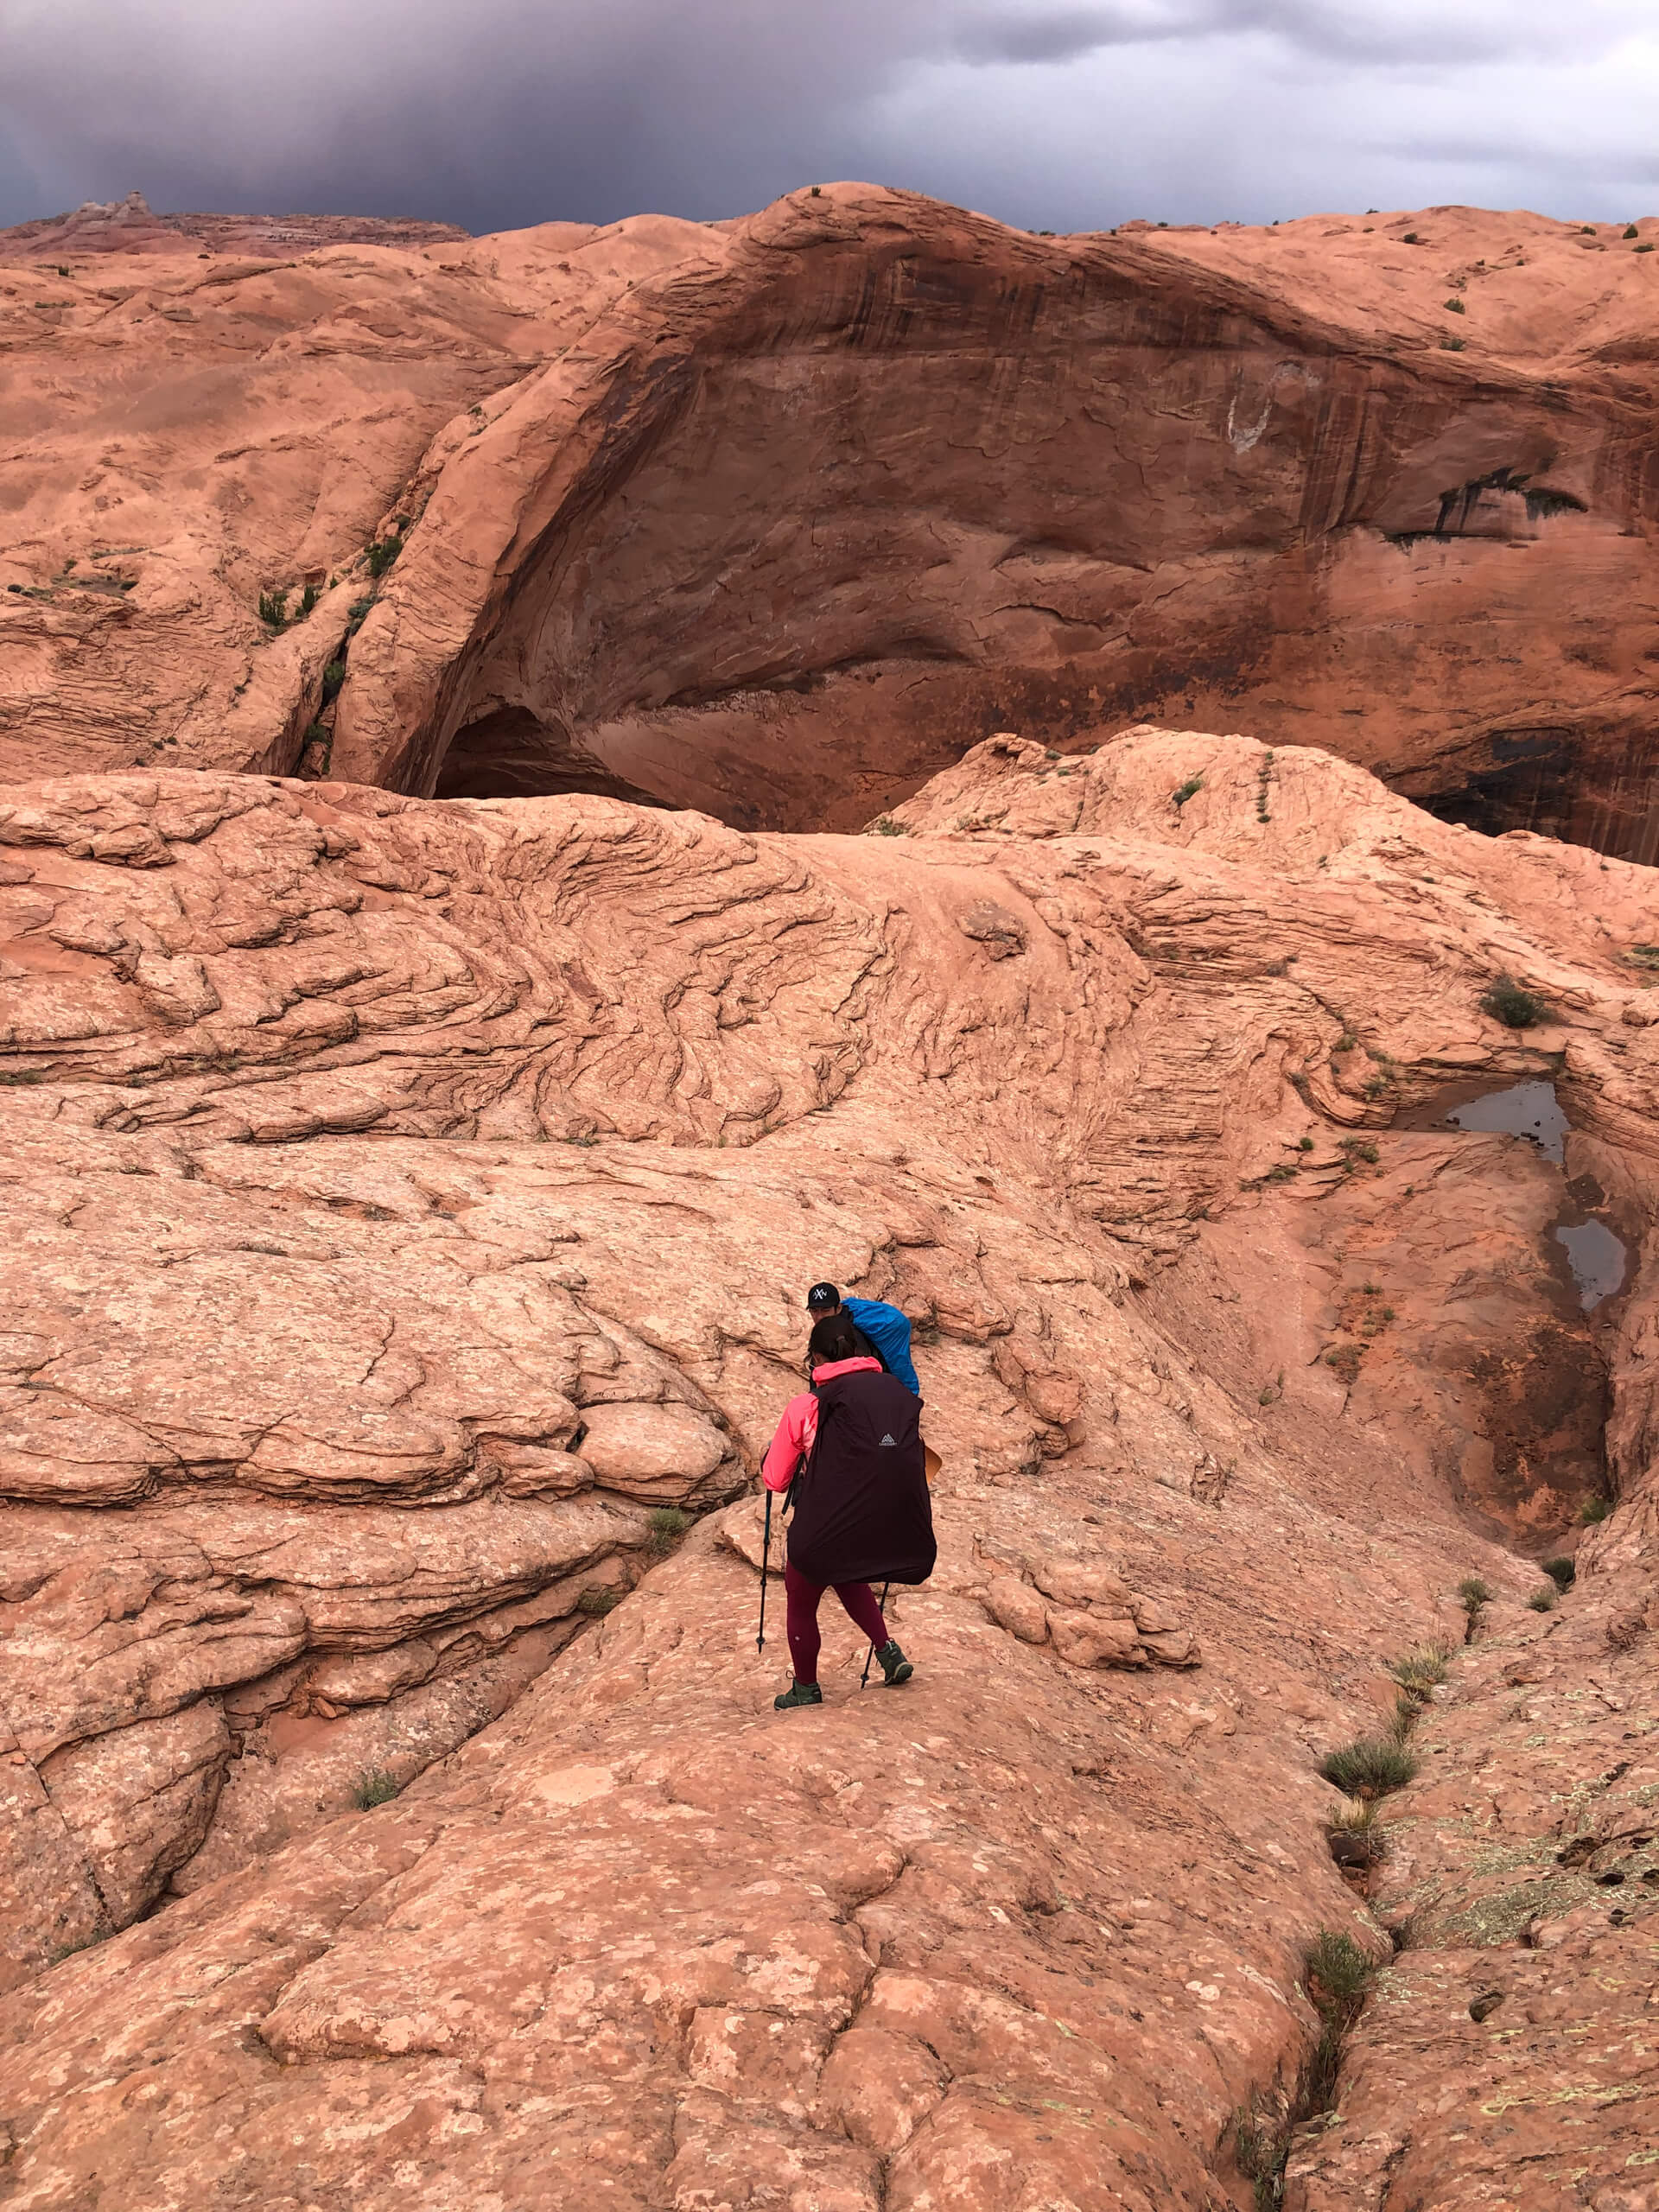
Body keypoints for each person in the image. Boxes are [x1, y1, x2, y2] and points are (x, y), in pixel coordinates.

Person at [761, 1311, 937, 1711]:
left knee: (802, 1596)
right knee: (846, 1572)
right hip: (885, 1525)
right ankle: (888, 1652)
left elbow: (775, 1479)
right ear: (857, 1351)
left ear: (818, 1362)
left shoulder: (807, 1405)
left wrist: (770, 1459)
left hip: (826, 1528)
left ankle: (806, 1687)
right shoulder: (894, 1394)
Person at [804, 1281, 921, 1398]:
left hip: (895, 1328)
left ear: (838, 1308)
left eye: (825, 1310)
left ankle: (908, 1396)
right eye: (814, 1311)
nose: (819, 1317)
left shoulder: (850, 1336)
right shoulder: (829, 1328)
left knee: (898, 1366)